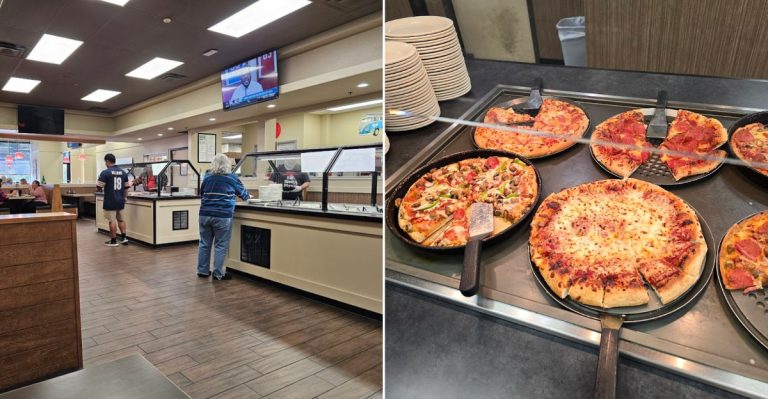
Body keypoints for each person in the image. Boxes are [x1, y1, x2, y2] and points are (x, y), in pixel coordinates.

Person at [198, 153, 249, 280]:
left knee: (204, 243)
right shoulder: (232, 178)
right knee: (220, 244)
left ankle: (202, 271)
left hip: (204, 214)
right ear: (228, 165)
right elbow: (245, 195)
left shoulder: (207, 177)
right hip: (222, 216)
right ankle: (217, 273)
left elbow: (202, 193)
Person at [97, 153, 130, 247]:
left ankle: (113, 240)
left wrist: (100, 188)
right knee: (121, 219)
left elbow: (99, 187)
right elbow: (126, 188)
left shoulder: (105, 172)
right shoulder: (123, 172)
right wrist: (125, 197)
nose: (105, 164)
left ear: (107, 161)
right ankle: (124, 238)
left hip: (110, 200)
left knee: (112, 221)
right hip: (120, 200)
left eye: (105, 162)